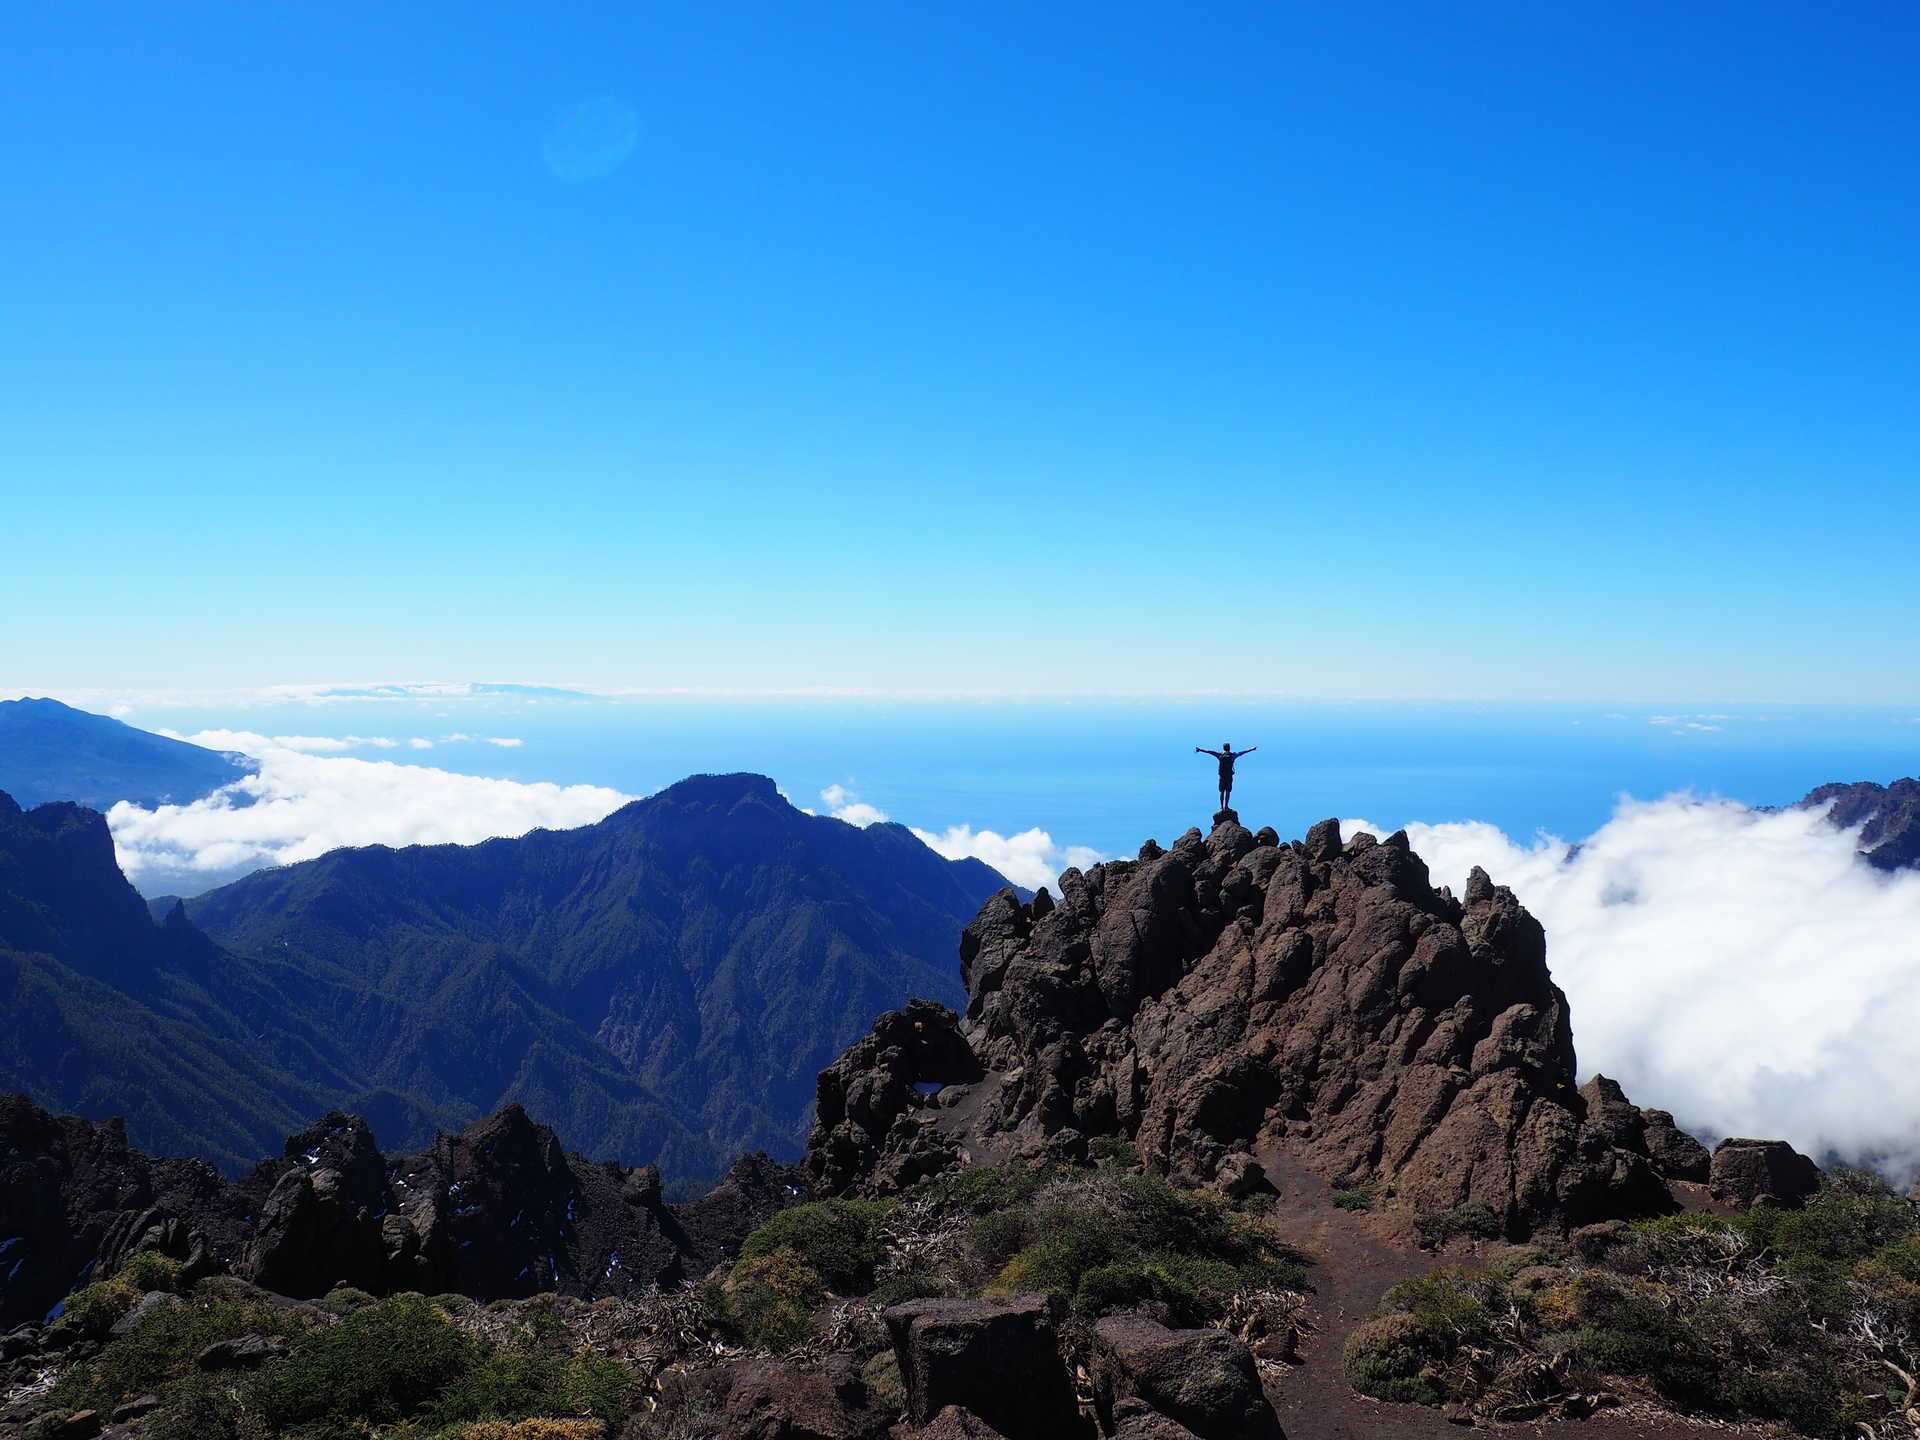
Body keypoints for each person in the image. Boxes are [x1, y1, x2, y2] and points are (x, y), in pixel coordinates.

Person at [1195, 741, 1257, 811]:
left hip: (1222, 776)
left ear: (1223, 748)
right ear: (1229, 748)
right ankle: (1226, 806)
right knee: (1228, 791)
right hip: (1229, 776)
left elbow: (1210, 752)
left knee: (1221, 791)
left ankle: (1221, 807)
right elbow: (1242, 752)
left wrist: (1200, 750)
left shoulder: (1220, 755)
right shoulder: (1233, 755)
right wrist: (1252, 749)